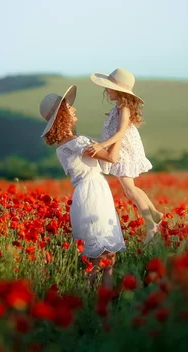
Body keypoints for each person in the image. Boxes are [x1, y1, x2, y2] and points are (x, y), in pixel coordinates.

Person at [39, 85, 126, 289]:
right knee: (100, 259)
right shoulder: (75, 143)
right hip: (92, 195)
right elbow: (112, 157)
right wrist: (122, 130)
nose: (74, 109)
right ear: (62, 115)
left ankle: (100, 301)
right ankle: (94, 301)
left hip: (93, 193)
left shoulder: (67, 144)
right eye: (69, 108)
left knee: (106, 257)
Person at [84, 68, 163, 244]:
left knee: (130, 190)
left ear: (119, 90)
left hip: (125, 151)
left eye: (109, 87)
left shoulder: (124, 108)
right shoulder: (119, 107)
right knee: (131, 188)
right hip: (122, 150)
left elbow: (120, 133)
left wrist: (101, 145)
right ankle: (155, 214)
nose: (106, 90)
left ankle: (151, 226)